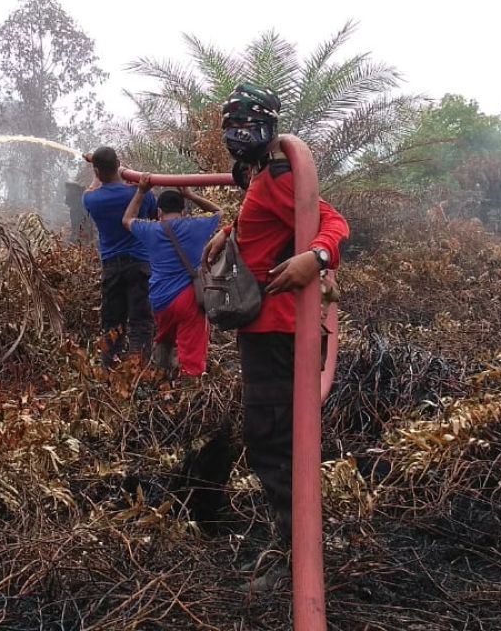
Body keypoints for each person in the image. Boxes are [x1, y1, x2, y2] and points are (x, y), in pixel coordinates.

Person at [201, 82, 349, 589]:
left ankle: (299, 562)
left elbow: (332, 221)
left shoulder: (280, 173)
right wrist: (232, 231)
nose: (237, 133)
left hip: (277, 330)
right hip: (265, 328)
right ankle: (298, 547)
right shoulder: (262, 175)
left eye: (247, 123)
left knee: (273, 442)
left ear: (267, 127)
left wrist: (318, 257)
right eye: (230, 124)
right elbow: (269, 219)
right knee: (274, 439)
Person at [121, 177, 223, 377]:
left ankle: (161, 380)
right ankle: (189, 389)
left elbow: (127, 220)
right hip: (189, 299)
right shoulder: (197, 226)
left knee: (164, 339)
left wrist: (141, 191)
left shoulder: (151, 230)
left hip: (160, 299)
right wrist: (190, 194)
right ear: (184, 211)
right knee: (191, 351)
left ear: (159, 213)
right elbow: (219, 212)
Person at [83, 146, 157, 368]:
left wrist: (95, 169)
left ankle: (109, 370)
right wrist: (138, 186)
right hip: (140, 265)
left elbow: (93, 187)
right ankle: (139, 371)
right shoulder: (142, 194)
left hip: (112, 267)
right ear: (119, 163)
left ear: (97, 170)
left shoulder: (92, 200)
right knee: (141, 321)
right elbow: (153, 216)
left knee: (112, 323)